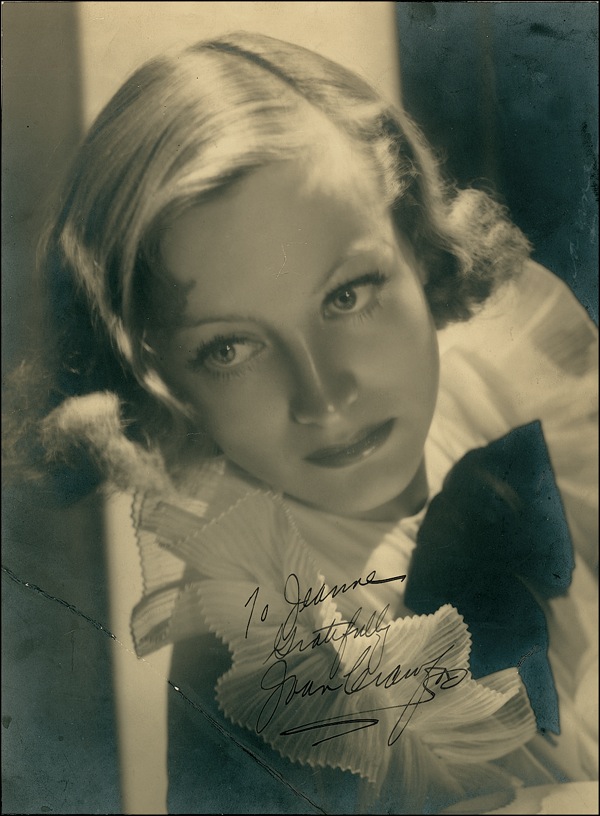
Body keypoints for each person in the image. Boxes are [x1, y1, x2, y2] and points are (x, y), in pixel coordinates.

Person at [4, 30, 597, 815]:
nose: (322, 396)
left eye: (347, 295)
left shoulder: (508, 369)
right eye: (230, 348)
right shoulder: (254, 669)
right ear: (159, 376)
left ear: (414, 241)